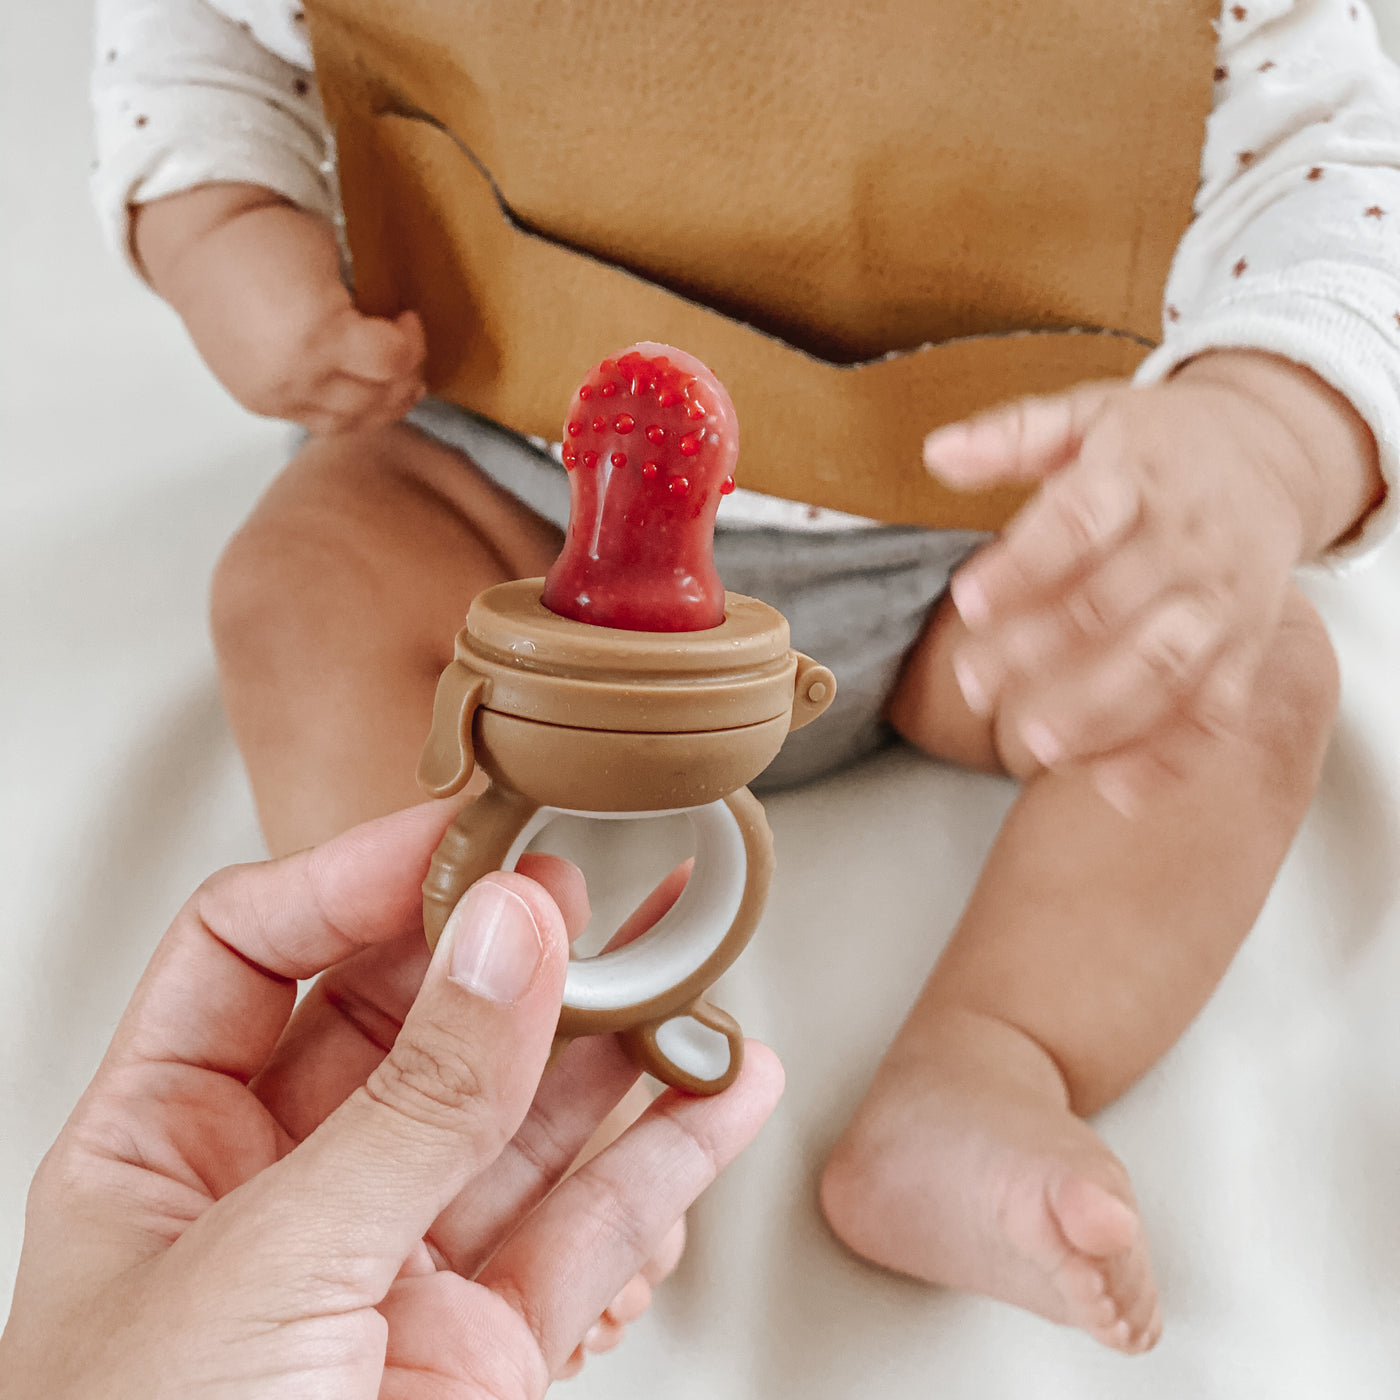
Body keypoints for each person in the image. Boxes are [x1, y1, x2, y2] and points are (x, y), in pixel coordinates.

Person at [89, 0, 1397, 1357]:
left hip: (989, 551)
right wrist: (223, 227)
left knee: (1246, 673)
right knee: (306, 577)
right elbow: (196, 35)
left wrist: (1269, 434)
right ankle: (464, 1029)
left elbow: (1342, 168)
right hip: (498, 493)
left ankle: (991, 1061)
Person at [0, 803, 784, 1395]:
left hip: (855, 652)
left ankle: (516, 1044)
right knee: (422, 816)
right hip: (506, 610)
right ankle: (527, 1042)